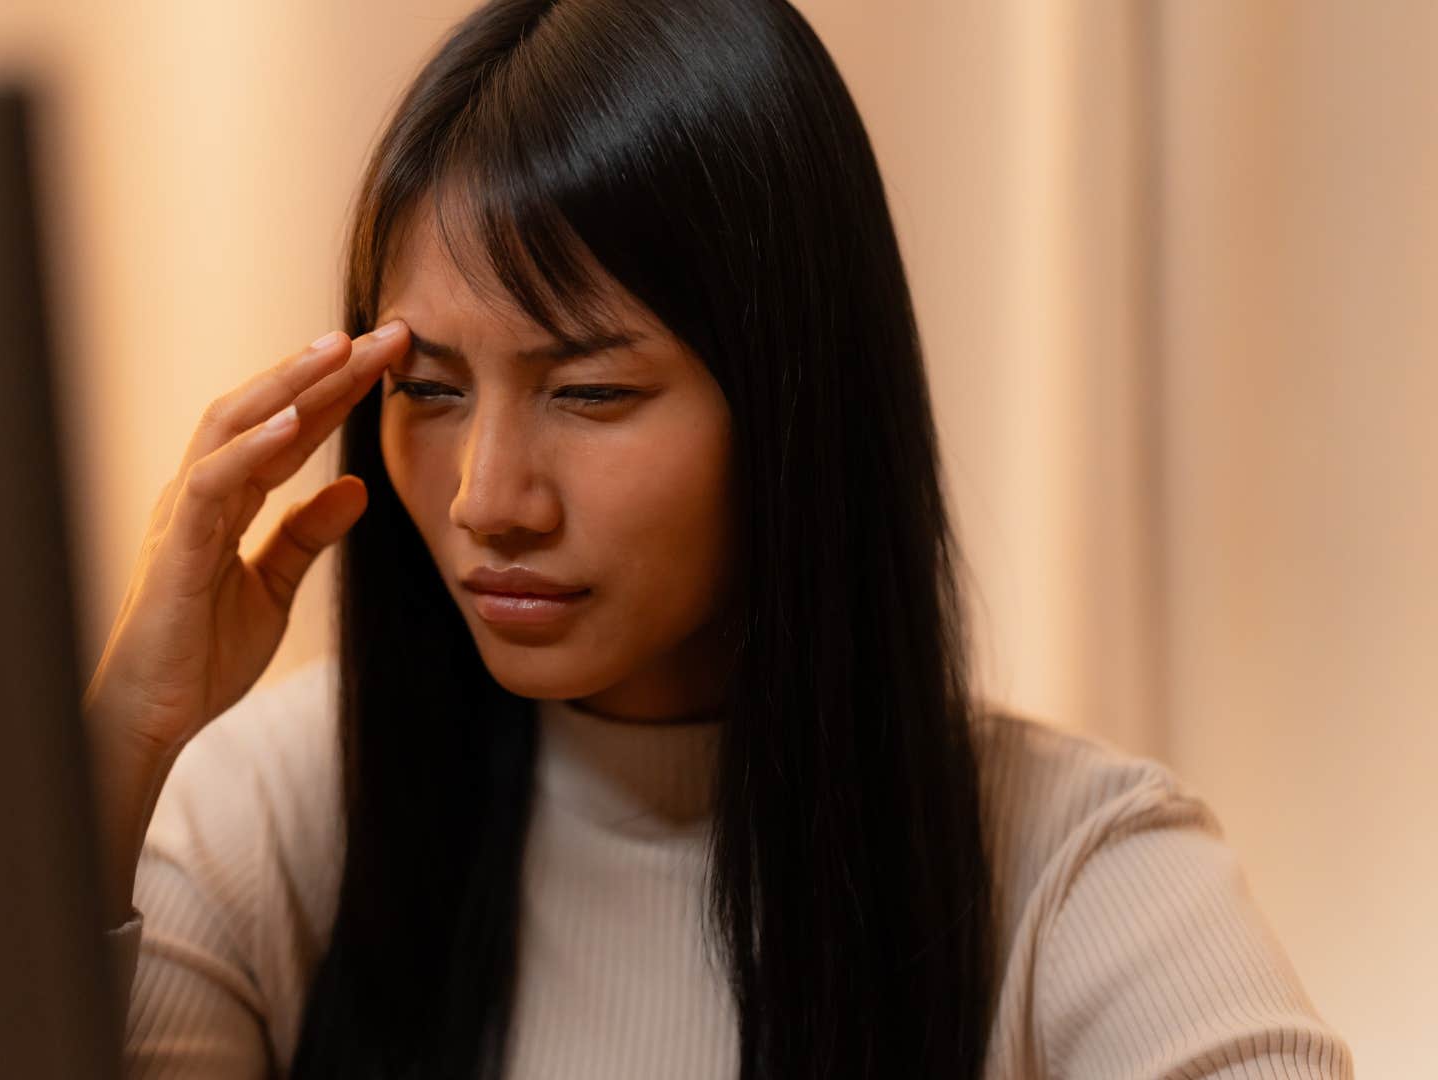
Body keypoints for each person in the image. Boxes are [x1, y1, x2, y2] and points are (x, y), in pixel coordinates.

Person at [78, 0, 1355, 1076]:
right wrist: (124, 739)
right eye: (428, 389)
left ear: (795, 402)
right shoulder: (270, 816)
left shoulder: (1066, 867)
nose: (487, 499)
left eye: (590, 392)